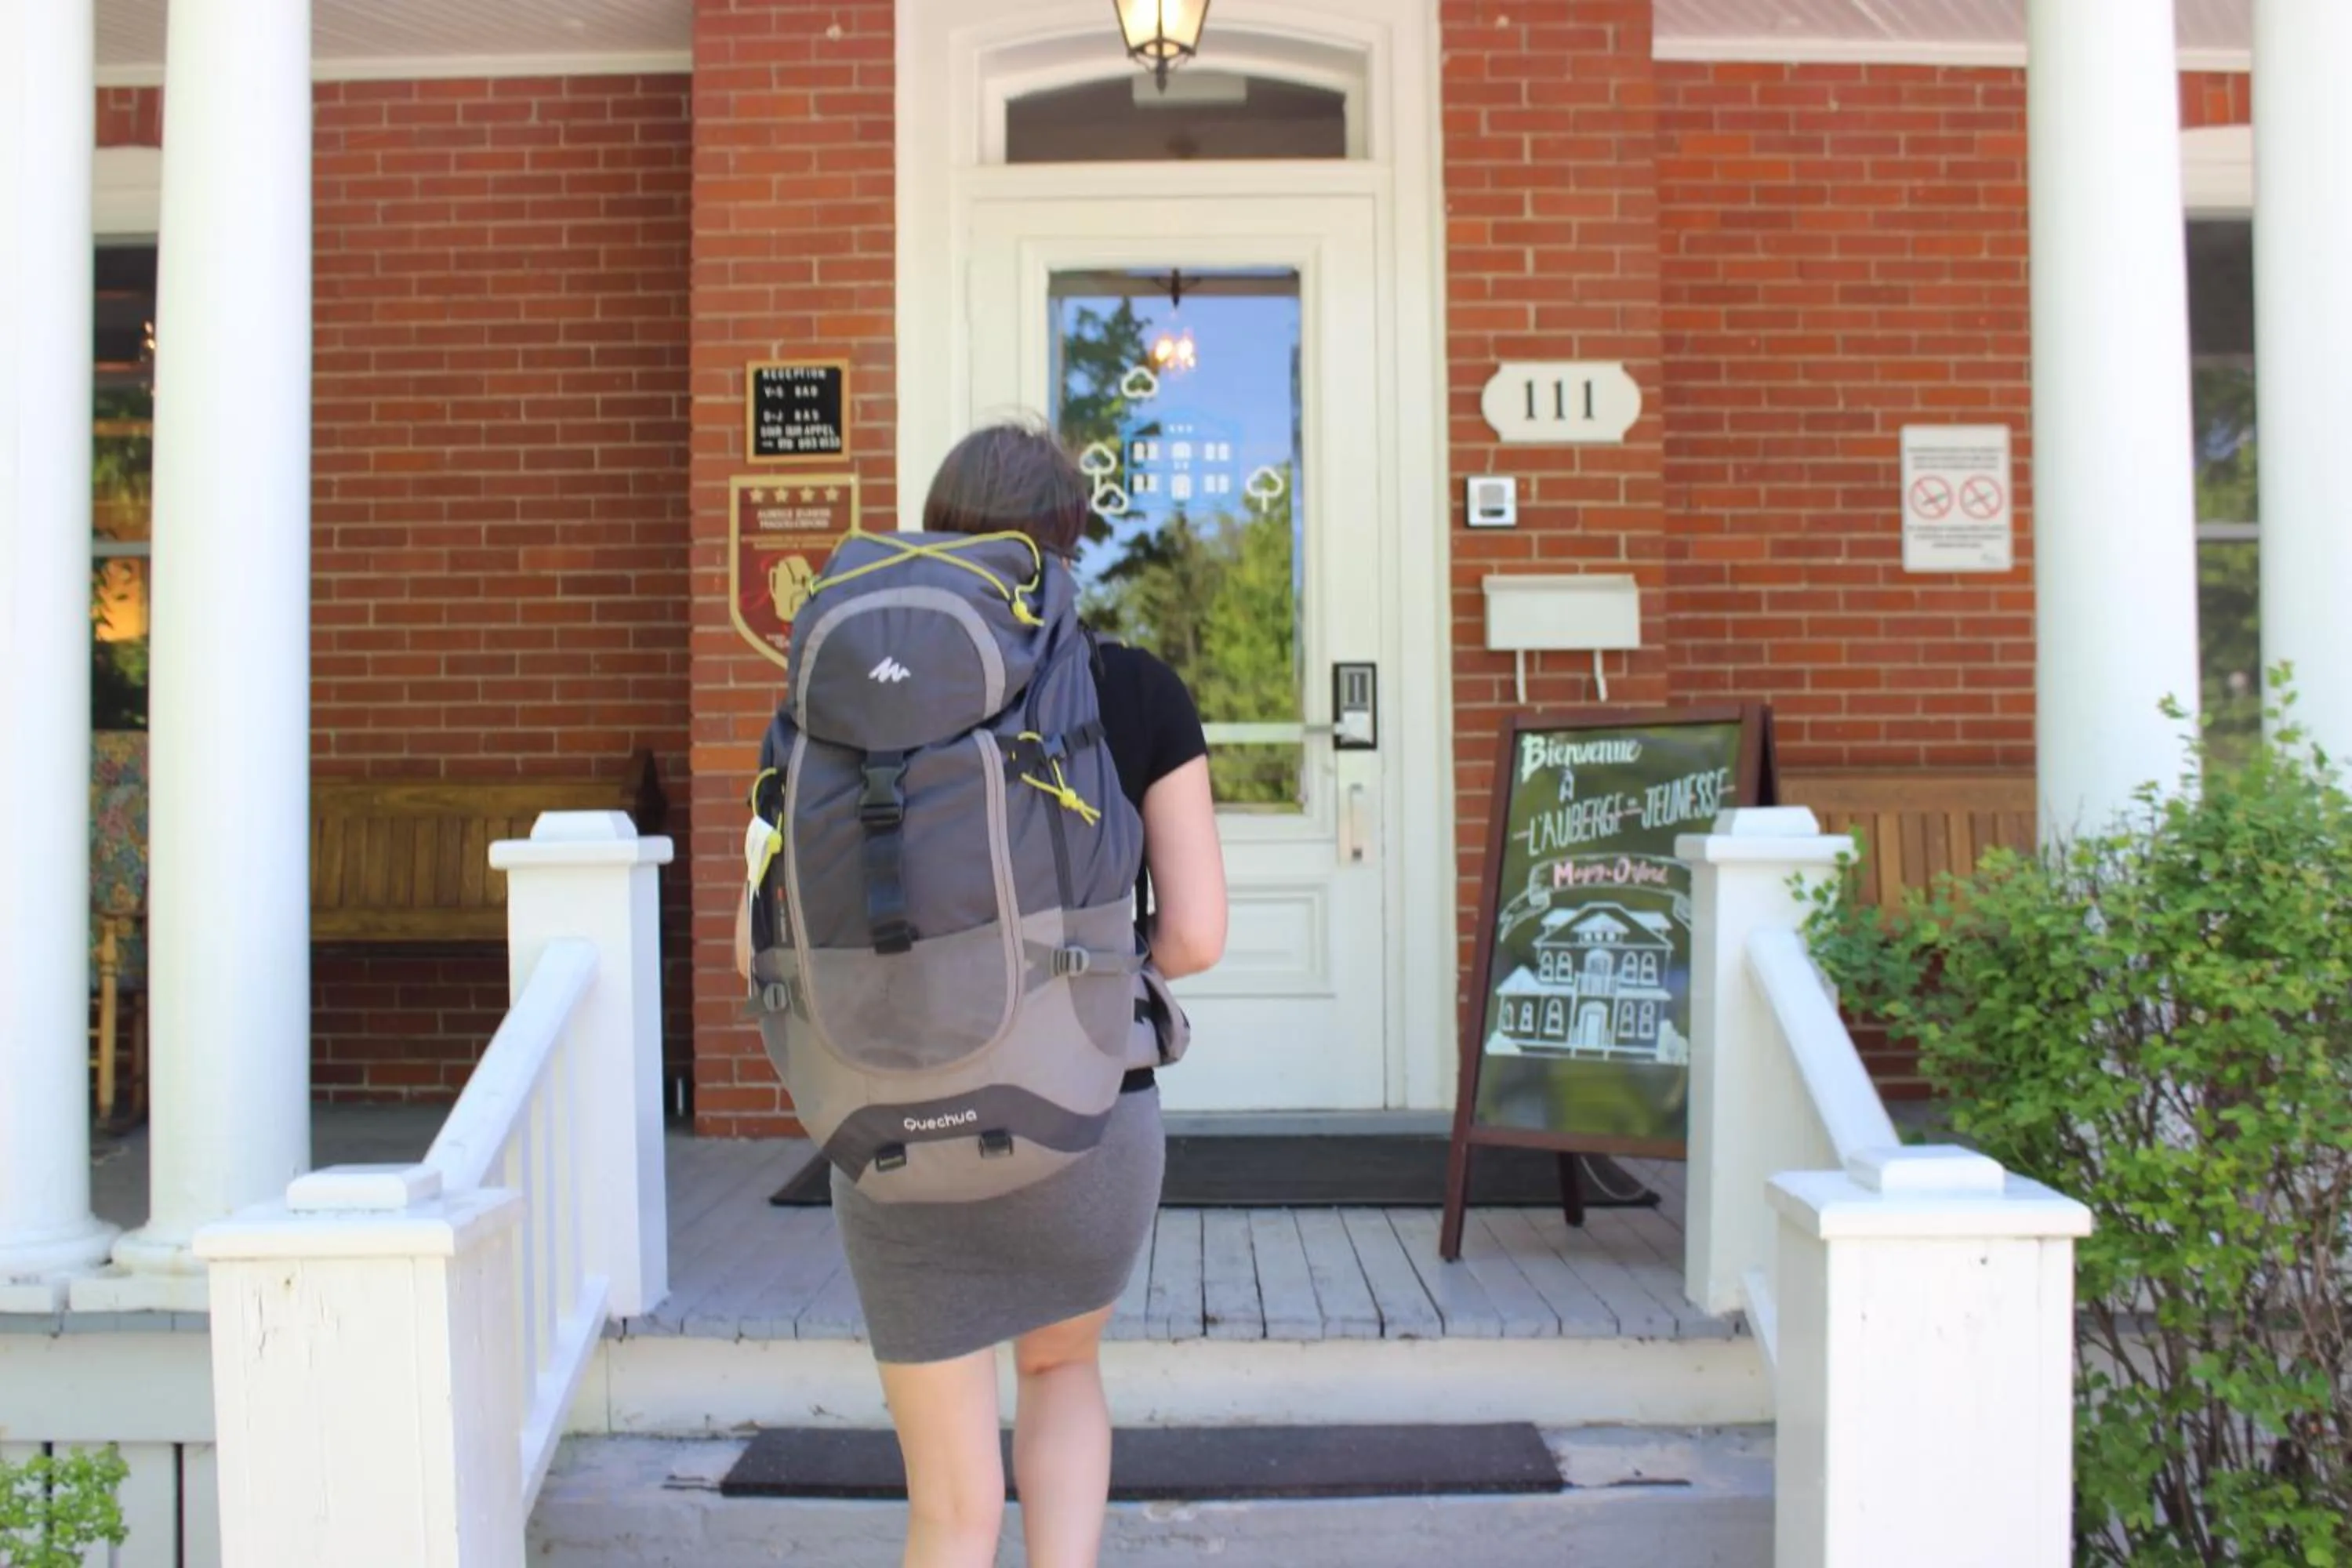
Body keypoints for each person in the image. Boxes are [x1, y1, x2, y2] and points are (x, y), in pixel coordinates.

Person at [735, 420, 1228, 1568]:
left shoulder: (830, 706)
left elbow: (755, 952)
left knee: (949, 1509)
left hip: (885, 1124)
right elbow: (1196, 937)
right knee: (1061, 1368)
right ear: (1070, 541)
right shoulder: (1135, 689)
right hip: (1082, 1115)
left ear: (934, 531)